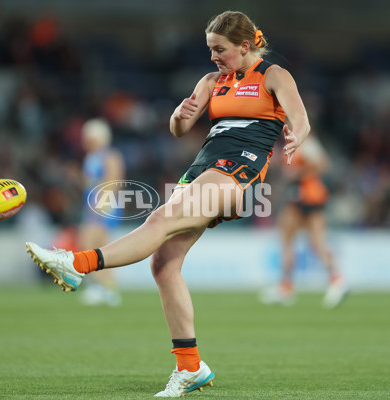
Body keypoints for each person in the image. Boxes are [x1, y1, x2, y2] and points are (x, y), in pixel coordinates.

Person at [25, 10, 310, 397]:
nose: (213, 57)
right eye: (210, 49)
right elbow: (180, 130)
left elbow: (300, 117)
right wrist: (179, 117)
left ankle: (76, 264)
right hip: (202, 168)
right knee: (164, 263)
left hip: (238, 170)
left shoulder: (273, 75)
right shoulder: (212, 81)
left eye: (220, 49)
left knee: (161, 218)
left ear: (245, 46)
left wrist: (296, 136)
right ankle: (190, 368)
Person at [259, 135, 349, 309]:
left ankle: (289, 287)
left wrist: (299, 172)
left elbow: (323, 165)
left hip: (307, 196)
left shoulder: (306, 143)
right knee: (297, 240)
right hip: (303, 195)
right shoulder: (292, 144)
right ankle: (333, 280)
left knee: (300, 240)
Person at [77, 118, 125, 307]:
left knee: (95, 246)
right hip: (92, 205)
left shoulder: (109, 156)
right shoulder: (92, 156)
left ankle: (103, 287)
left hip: (104, 206)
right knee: (94, 247)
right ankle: (104, 287)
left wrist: (100, 207)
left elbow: (113, 182)